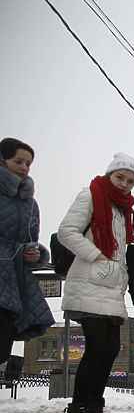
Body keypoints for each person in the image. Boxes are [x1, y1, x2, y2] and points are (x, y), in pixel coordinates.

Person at [58, 153, 134, 413]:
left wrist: (122, 274)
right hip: (88, 282)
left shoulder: (124, 209)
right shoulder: (91, 195)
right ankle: (81, 404)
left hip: (112, 289)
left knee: (110, 348)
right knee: (97, 347)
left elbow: (122, 250)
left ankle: (94, 403)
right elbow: (66, 232)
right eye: (120, 177)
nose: (125, 184)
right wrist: (96, 255)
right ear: (109, 175)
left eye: (130, 180)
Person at [0, 137, 54, 365]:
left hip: (15, 282)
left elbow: (31, 240)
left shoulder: (30, 203)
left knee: (3, 348)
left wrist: (35, 253)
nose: (24, 167)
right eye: (18, 161)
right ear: (3, 159)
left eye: (28, 163)